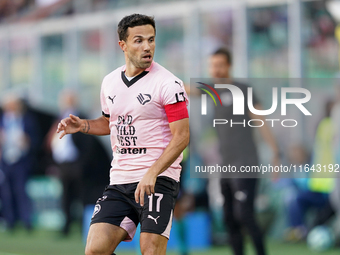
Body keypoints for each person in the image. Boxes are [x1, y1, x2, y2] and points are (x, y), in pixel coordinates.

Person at [56, 14, 189, 255]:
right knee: (95, 250)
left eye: (151, 39)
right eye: (138, 40)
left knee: (150, 251)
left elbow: (182, 136)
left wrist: (152, 172)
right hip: (120, 181)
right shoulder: (109, 82)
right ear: (123, 45)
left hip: (157, 179)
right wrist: (83, 125)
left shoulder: (169, 84)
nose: (147, 46)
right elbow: (109, 123)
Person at [208, 48, 279, 255]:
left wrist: (275, 153)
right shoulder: (212, 90)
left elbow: (261, 121)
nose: (216, 70)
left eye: (220, 65)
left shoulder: (243, 90)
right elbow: (184, 88)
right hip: (226, 164)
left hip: (245, 162)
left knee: (244, 214)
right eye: (213, 66)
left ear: (229, 65)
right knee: (229, 217)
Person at [0, 93, 39, 231]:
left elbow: (35, 140)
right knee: (6, 193)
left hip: (21, 161)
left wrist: (27, 141)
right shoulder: (3, 120)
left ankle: (26, 221)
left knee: (21, 191)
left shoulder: (27, 120)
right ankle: (9, 221)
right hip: (5, 161)